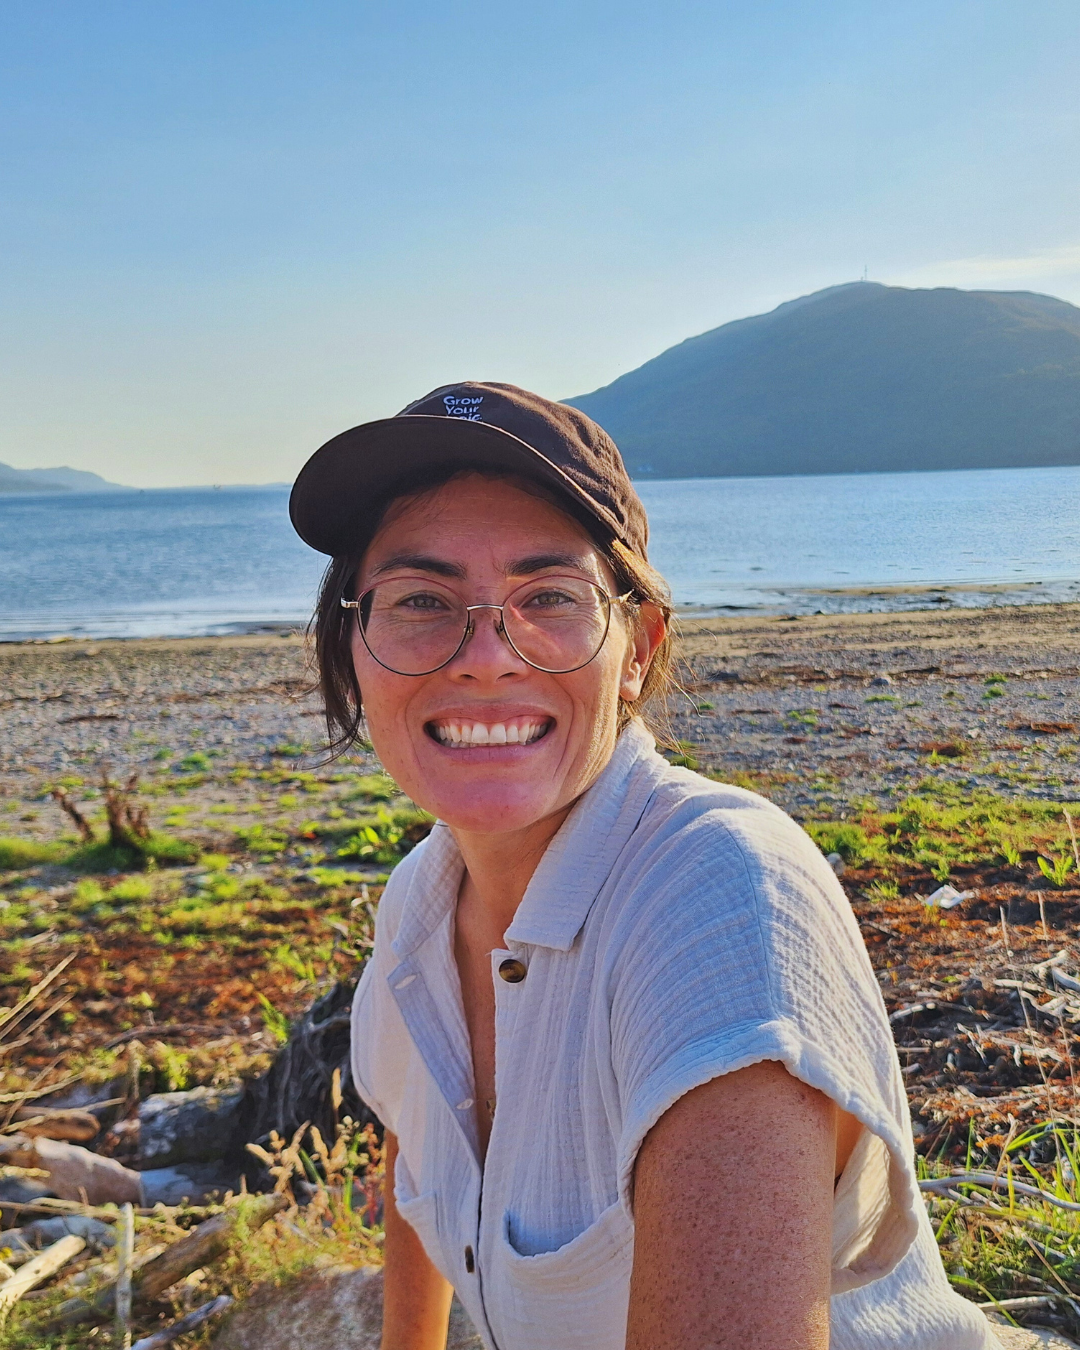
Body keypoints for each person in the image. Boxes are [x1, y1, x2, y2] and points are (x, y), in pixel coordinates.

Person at [290, 383, 998, 1350]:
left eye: (549, 598)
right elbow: (422, 1148)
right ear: (352, 645)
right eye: (421, 600)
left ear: (637, 649)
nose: (487, 657)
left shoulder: (718, 892)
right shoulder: (421, 900)